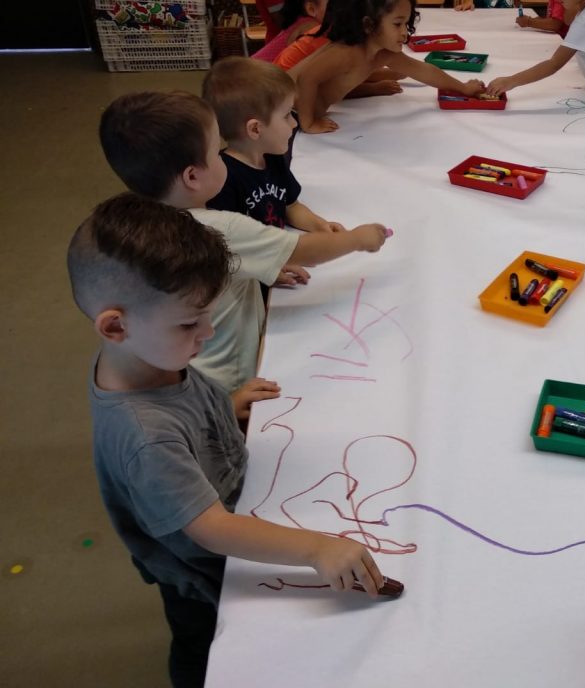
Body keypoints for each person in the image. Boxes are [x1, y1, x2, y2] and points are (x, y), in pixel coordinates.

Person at [67, 193, 390, 688]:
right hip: (202, 570)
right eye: (189, 323)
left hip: (240, 498)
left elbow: (183, 405)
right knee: (204, 647)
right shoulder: (146, 437)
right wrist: (316, 549)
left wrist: (224, 402)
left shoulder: (149, 353)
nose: (208, 332)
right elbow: (211, 528)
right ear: (115, 326)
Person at [98, 91, 389, 394]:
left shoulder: (143, 223)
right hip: (228, 378)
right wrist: (358, 239)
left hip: (187, 372)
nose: (224, 157)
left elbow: (220, 269)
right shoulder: (218, 227)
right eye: (216, 153)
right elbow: (304, 251)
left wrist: (263, 266)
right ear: (192, 177)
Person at [288, 0, 484, 133]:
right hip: (287, 113)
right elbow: (306, 78)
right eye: (397, 24)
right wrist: (308, 123)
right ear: (369, 25)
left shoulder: (383, 53)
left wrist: (463, 88)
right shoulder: (346, 52)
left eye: (406, 23)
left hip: (297, 115)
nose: (404, 32)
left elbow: (424, 71)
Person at [202, 57, 338, 234]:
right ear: (255, 129)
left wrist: (321, 226)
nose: (294, 123)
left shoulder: (273, 158)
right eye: (287, 115)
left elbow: (291, 206)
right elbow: (230, 240)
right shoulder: (222, 179)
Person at [252, 0, 334, 64]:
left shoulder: (301, 21)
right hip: (258, 72)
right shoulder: (312, 28)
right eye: (333, 0)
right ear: (311, 9)